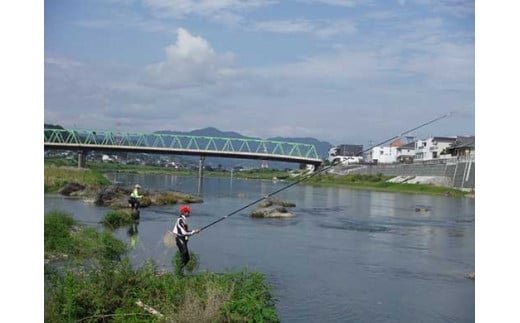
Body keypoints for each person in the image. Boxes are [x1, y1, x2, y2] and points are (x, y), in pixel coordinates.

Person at [171, 205, 200, 269]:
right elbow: (184, 233)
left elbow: (185, 231)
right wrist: (194, 232)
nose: (189, 213)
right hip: (179, 238)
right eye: (188, 212)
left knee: (187, 258)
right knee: (184, 254)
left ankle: (179, 271)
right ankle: (178, 270)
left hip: (182, 239)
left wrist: (194, 231)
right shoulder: (180, 220)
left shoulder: (183, 220)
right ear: (184, 212)